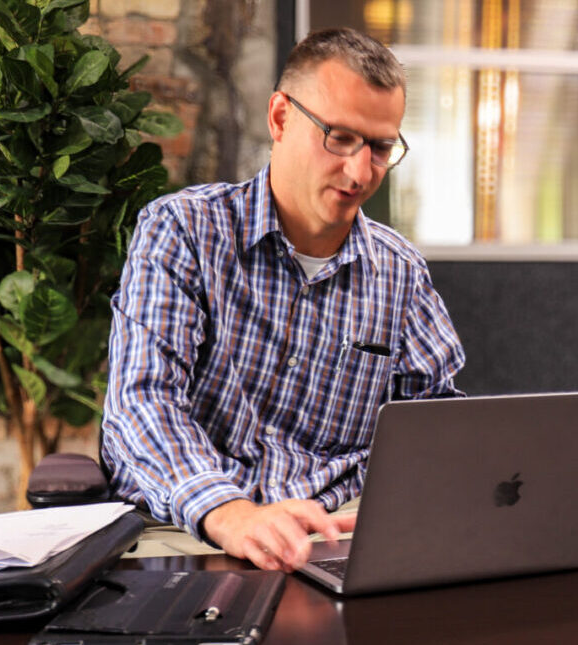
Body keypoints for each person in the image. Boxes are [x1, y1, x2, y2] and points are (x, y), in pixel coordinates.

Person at [102, 29, 465, 570]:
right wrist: (230, 511)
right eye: (339, 137)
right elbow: (141, 403)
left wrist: (408, 503)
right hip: (190, 528)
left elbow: (433, 426)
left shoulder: (400, 271)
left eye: (381, 147)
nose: (360, 172)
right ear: (280, 118)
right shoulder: (183, 231)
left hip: (340, 532)